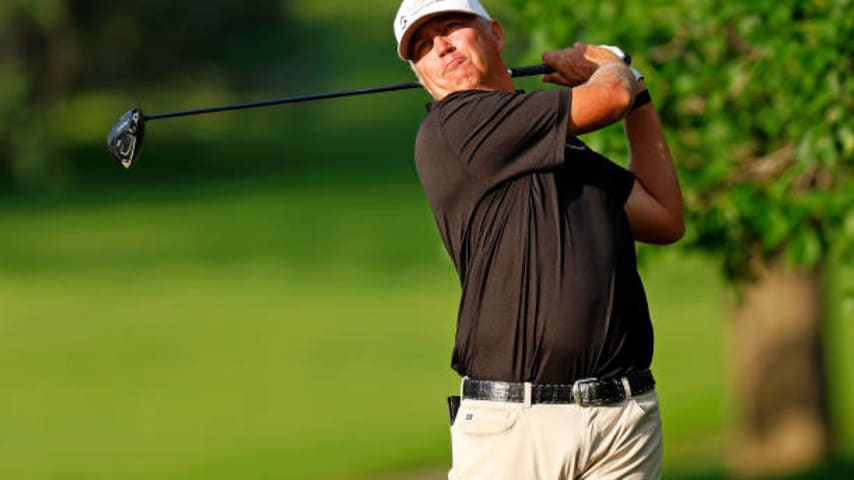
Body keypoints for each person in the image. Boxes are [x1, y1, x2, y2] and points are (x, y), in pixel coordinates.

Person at [393, 0, 684, 478]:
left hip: (623, 419)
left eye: (451, 29)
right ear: (420, 74)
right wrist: (611, 64)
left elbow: (665, 217)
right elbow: (609, 97)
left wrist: (640, 93)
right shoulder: (454, 126)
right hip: (517, 427)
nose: (440, 47)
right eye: (422, 47)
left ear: (496, 34)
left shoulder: (562, 145)